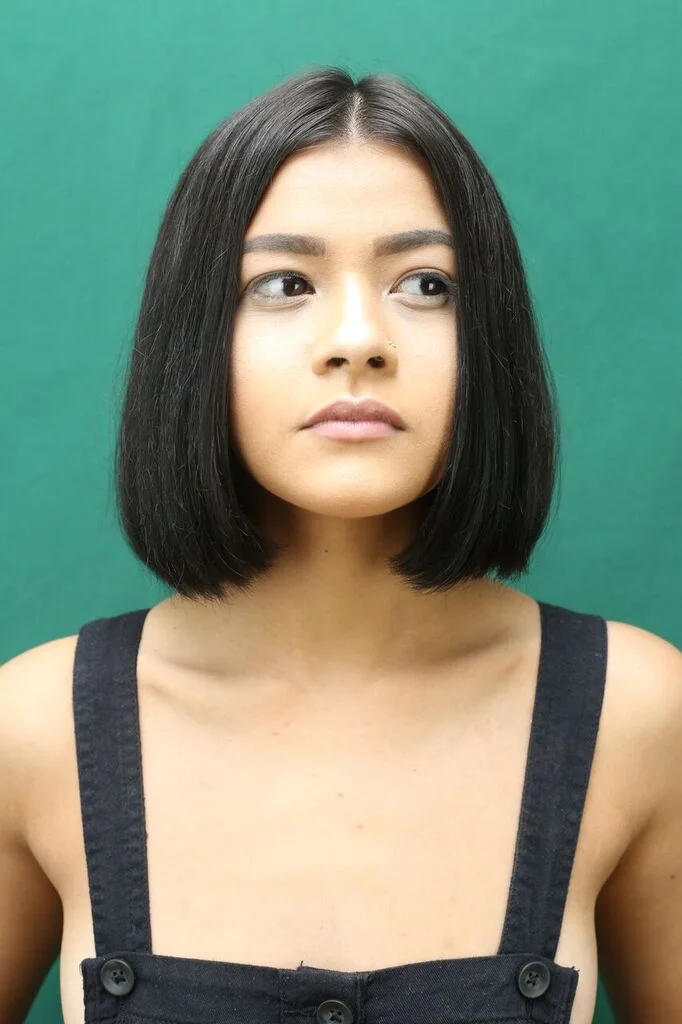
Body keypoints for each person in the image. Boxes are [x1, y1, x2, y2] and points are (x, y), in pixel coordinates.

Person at [1, 65, 681, 1024]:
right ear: (195, 335)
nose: (358, 339)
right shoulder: (32, 732)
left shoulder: (638, 718)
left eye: (426, 284)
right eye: (284, 284)